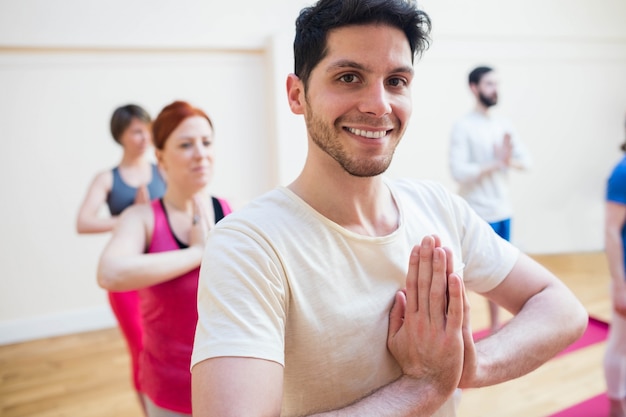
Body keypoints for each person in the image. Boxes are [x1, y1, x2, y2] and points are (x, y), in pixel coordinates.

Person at [191, 1, 587, 416]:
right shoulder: (249, 245)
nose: (379, 105)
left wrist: (471, 365)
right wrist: (424, 386)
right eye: (349, 77)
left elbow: (561, 307)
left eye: (396, 81)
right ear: (297, 94)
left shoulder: (437, 207)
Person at [97, 100, 231, 417]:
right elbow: (110, 273)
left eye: (206, 142)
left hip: (228, 381)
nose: (200, 153)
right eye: (186, 145)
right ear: (160, 158)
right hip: (169, 386)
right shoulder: (141, 218)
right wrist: (197, 253)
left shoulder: (230, 210)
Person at [75, 103, 166, 410]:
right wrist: (131, 216)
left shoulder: (163, 169)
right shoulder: (108, 178)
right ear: (122, 136)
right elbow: (84, 222)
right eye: (136, 131)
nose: (145, 137)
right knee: (140, 348)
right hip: (127, 278)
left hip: (161, 271)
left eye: (147, 129)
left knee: (166, 347)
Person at [449, 66, 533, 333]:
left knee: (500, 274)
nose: (494, 89)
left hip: (503, 211)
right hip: (476, 214)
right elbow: (459, 172)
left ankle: (497, 327)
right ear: (474, 88)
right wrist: (495, 163)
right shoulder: (463, 127)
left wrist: (508, 161)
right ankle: (461, 333)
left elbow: (526, 162)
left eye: (496, 84)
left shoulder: (503, 125)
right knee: (468, 276)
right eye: (489, 84)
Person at [604, 113, 626, 417]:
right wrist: (620, 285)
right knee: (620, 345)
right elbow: (610, 230)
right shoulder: (622, 172)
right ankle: (615, 405)